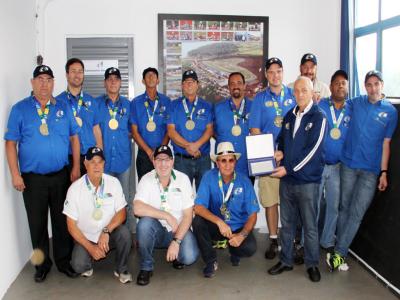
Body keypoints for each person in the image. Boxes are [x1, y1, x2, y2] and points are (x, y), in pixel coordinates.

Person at [4, 65, 81, 282]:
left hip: (60, 175)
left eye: (48, 79)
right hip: (32, 179)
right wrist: (15, 174)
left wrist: (75, 167)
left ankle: (64, 262)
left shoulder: (63, 107)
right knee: (36, 225)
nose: (44, 84)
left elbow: (75, 138)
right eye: (40, 79)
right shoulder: (20, 109)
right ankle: (41, 266)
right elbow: (10, 144)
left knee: (61, 222)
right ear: (32, 83)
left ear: (53, 83)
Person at [327, 70, 398, 272]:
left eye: (376, 84)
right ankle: (338, 250)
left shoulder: (390, 112)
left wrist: (383, 172)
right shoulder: (356, 102)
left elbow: (386, 144)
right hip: (348, 165)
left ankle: (339, 254)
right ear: (365, 87)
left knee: (356, 214)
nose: (373, 88)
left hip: (370, 172)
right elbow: (337, 102)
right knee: (343, 209)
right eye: (369, 84)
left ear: (382, 85)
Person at [268, 76, 327, 282]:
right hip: (288, 183)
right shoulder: (289, 116)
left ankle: (312, 264)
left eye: (304, 90)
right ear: (293, 93)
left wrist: (288, 169)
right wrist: (279, 154)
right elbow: (282, 142)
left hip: (308, 182)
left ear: (312, 92)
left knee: (310, 227)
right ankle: (286, 261)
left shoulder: (319, 117)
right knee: (287, 224)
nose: (300, 94)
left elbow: (312, 152)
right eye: (297, 91)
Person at [63, 147, 132, 283]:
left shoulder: (113, 183)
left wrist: (106, 231)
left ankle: (121, 269)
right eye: (92, 162)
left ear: (104, 164)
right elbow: (71, 226)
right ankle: (90, 258)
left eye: (99, 162)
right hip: (86, 237)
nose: (96, 166)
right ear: (85, 164)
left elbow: (122, 213)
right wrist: (91, 248)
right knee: (78, 266)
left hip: (108, 234)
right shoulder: (75, 189)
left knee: (125, 234)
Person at [249, 57, 295, 259]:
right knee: (270, 201)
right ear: (266, 75)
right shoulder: (259, 99)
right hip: (268, 160)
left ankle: (291, 240)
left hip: (291, 159)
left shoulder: (294, 95)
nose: (275, 75)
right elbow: (255, 129)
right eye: (271, 72)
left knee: (291, 201)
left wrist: (285, 153)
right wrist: (269, 155)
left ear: (283, 73)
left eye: (279, 71)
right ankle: (274, 240)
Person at [133, 145, 199, 286]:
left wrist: (176, 241)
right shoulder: (146, 179)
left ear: (172, 161)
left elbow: (188, 216)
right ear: (153, 162)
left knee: (189, 257)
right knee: (144, 224)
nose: (163, 164)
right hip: (156, 231)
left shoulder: (183, 179)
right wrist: (166, 216)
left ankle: (175, 253)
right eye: (159, 159)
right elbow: (137, 208)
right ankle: (146, 266)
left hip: (177, 230)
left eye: (167, 159)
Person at [193, 142, 259, 278]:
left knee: (250, 248)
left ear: (235, 162)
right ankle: (210, 261)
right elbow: (198, 208)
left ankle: (234, 251)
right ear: (217, 163)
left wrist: (242, 235)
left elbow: (253, 215)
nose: (227, 165)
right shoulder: (208, 177)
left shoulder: (244, 180)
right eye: (223, 161)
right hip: (217, 226)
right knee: (198, 222)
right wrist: (219, 222)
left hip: (236, 227)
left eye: (231, 160)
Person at [95, 67, 135, 232]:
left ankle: (124, 235)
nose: (113, 82)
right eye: (109, 79)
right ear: (105, 83)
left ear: (120, 83)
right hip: (103, 161)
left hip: (123, 159)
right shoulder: (96, 104)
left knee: (123, 197)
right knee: (103, 198)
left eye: (116, 79)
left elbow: (134, 128)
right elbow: (94, 128)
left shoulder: (128, 105)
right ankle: (104, 234)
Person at [317, 70, 350, 253]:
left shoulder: (352, 108)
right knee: (313, 206)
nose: (340, 85)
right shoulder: (320, 105)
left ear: (347, 86)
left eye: (343, 82)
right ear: (330, 87)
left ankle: (327, 241)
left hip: (337, 167)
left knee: (333, 206)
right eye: (336, 83)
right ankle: (308, 243)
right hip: (319, 165)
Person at [167, 69, 213, 191]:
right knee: (180, 196)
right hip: (181, 160)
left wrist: (197, 145)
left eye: (192, 81)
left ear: (197, 84)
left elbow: (209, 130)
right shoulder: (173, 105)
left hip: (203, 159)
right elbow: (171, 131)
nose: (189, 84)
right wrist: (189, 146)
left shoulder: (207, 106)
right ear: (182, 86)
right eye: (186, 82)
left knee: (204, 197)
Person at [56, 58, 102, 175]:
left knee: (90, 192)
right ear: (67, 75)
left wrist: (99, 155)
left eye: (80, 71)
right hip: (66, 158)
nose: (77, 75)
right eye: (73, 71)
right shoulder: (57, 102)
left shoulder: (92, 101)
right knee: (68, 193)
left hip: (90, 157)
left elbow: (96, 129)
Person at [131, 67, 171, 180]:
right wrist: (149, 152)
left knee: (163, 188)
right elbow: (134, 132)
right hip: (144, 154)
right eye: (148, 75)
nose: (151, 77)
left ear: (158, 80)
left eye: (154, 75)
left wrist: (159, 151)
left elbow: (169, 129)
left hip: (163, 154)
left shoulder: (166, 101)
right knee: (144, 189)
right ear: (143, 81)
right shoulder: (136, 102)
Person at [214, 72, 253, 182]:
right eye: (232, 83)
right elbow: (212, 131)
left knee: (245, 197)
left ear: (244, 86)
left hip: (246, 164)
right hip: (224, 165)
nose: (236, 86)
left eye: (239, 83)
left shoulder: (254, 107)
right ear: (229, 87)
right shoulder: (218, 108)